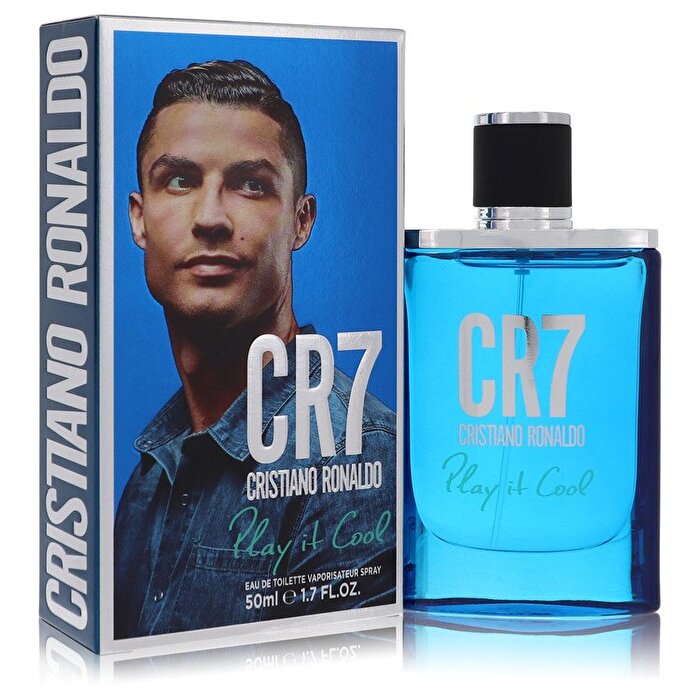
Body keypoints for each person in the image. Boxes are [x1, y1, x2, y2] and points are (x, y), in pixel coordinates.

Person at [113, 60, 396, 638]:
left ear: (301, 221)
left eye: (251, 185)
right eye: (180, 181)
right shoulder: (149, 478)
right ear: (139, 220)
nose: (211, 218)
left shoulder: (356, 454)